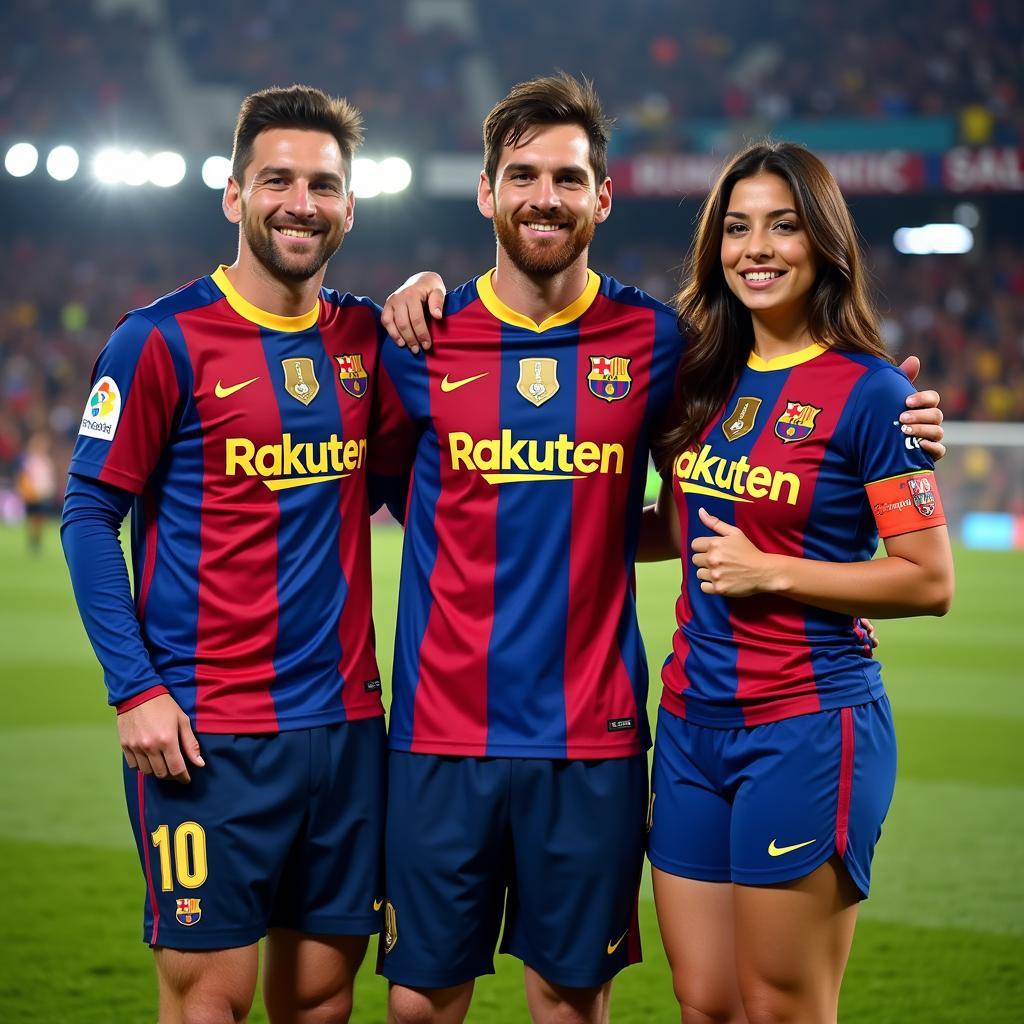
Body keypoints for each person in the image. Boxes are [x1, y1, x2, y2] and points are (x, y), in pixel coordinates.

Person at [375, 75, 946, 1024]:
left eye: (567, 177)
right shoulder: (422, 337)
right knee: (443, 1006)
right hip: (472, 729)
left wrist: (903, 420)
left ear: (604, 196)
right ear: (485, 192)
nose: (543, 197)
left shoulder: (662, 344)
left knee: (591, 1000)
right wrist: (410, 285)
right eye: (520, 175)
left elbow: (861, 520)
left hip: (614, 734)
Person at [61, 85, 389, 1024]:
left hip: (345, 727)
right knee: (212, 998)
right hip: (207, 734)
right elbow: (90, 513)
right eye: (277, 179)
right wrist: (136, 687)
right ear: (233, 193)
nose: (301, 202)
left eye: (323, 185)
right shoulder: (157, 338)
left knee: (323, 997)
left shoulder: (367, 339)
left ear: (349, 206)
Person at [641, 142, 955, 1024]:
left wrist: (768, 571)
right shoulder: (699, 378)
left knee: (780, 1004)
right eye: (737, 228)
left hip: (808, 726)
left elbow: (929, 580)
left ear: (822, 242)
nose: (757, 247)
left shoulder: (877, 393)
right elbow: (681, 529)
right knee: (704, 1000)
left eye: (783, 225)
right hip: (693, 722)